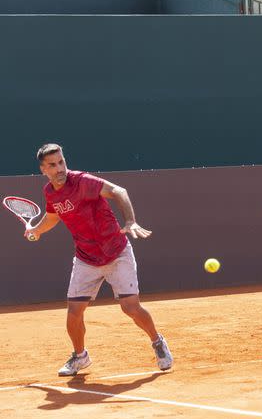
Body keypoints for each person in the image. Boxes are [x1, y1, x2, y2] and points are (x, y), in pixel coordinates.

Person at [27, 143, 173, 376]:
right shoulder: (50, 193)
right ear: (43, 169)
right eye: (53, 165)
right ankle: (80, 356)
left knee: (131, 308)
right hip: (86, 258)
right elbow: (53, 216)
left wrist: (130, 221)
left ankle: (157, 342)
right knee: (74, 312)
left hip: (116, 252)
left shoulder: (83, 181)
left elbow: (119, 191)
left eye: (62, 162)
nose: (60, 168)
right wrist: (36, 229)